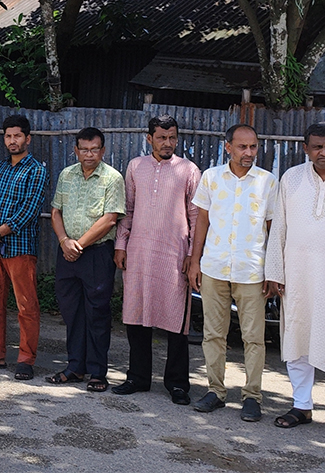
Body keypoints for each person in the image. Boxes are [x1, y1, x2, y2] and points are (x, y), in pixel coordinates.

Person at [188, 124, 277, 421]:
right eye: (242, 147)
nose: (249, 152)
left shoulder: (267, 182)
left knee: (254, 337)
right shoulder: (211, 178)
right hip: (214, 267)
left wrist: (273, 269)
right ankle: (215, 391)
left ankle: (252, 397)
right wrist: (194, 260)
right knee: (214, 334)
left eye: (253, 147)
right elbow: (201, 221)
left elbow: (271, 228)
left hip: (252, 270)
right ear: (228, 147)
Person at [112, 115, 200, 405]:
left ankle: (177, 384)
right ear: (149, 138)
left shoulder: (188, 170)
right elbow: (129, 209)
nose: (167, 143)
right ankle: (137, 377)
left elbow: (196, 216)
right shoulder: (136, 167)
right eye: (161, 137)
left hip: (174, 255)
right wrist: (121, 245)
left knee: (177, 319)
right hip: (139, 252)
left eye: (172, 137)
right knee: (136, 313)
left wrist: (192, 256)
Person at [265, 123, 325, 429]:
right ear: (306, 149)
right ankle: (301, 405)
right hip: (298, 276)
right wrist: (275, 272)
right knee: (297, 336)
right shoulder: (291, 179)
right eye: (317, 146)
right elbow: (278, 228)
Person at [47, 127, 125, 393]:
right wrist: (64, 242)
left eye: (95, 149)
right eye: (84, 149)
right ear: (76, 150)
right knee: (72, 312)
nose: (89, 154)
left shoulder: (112, 178)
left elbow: (110, 219)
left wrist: (78, 244)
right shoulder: (66, 175)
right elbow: (56, 211)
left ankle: (97, 372)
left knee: (97, 313)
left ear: (103, 151)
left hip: (96, 254)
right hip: (66, 252)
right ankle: (74, 367)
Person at [0, 115, 49, 380]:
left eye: (17, 136)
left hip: (19, 248)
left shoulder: (36, 170)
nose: (12, 141)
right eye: (8, 136)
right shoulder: (0, 168)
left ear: (27, 139)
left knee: (26, 306)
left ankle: (26, 359)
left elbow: (29, 210)